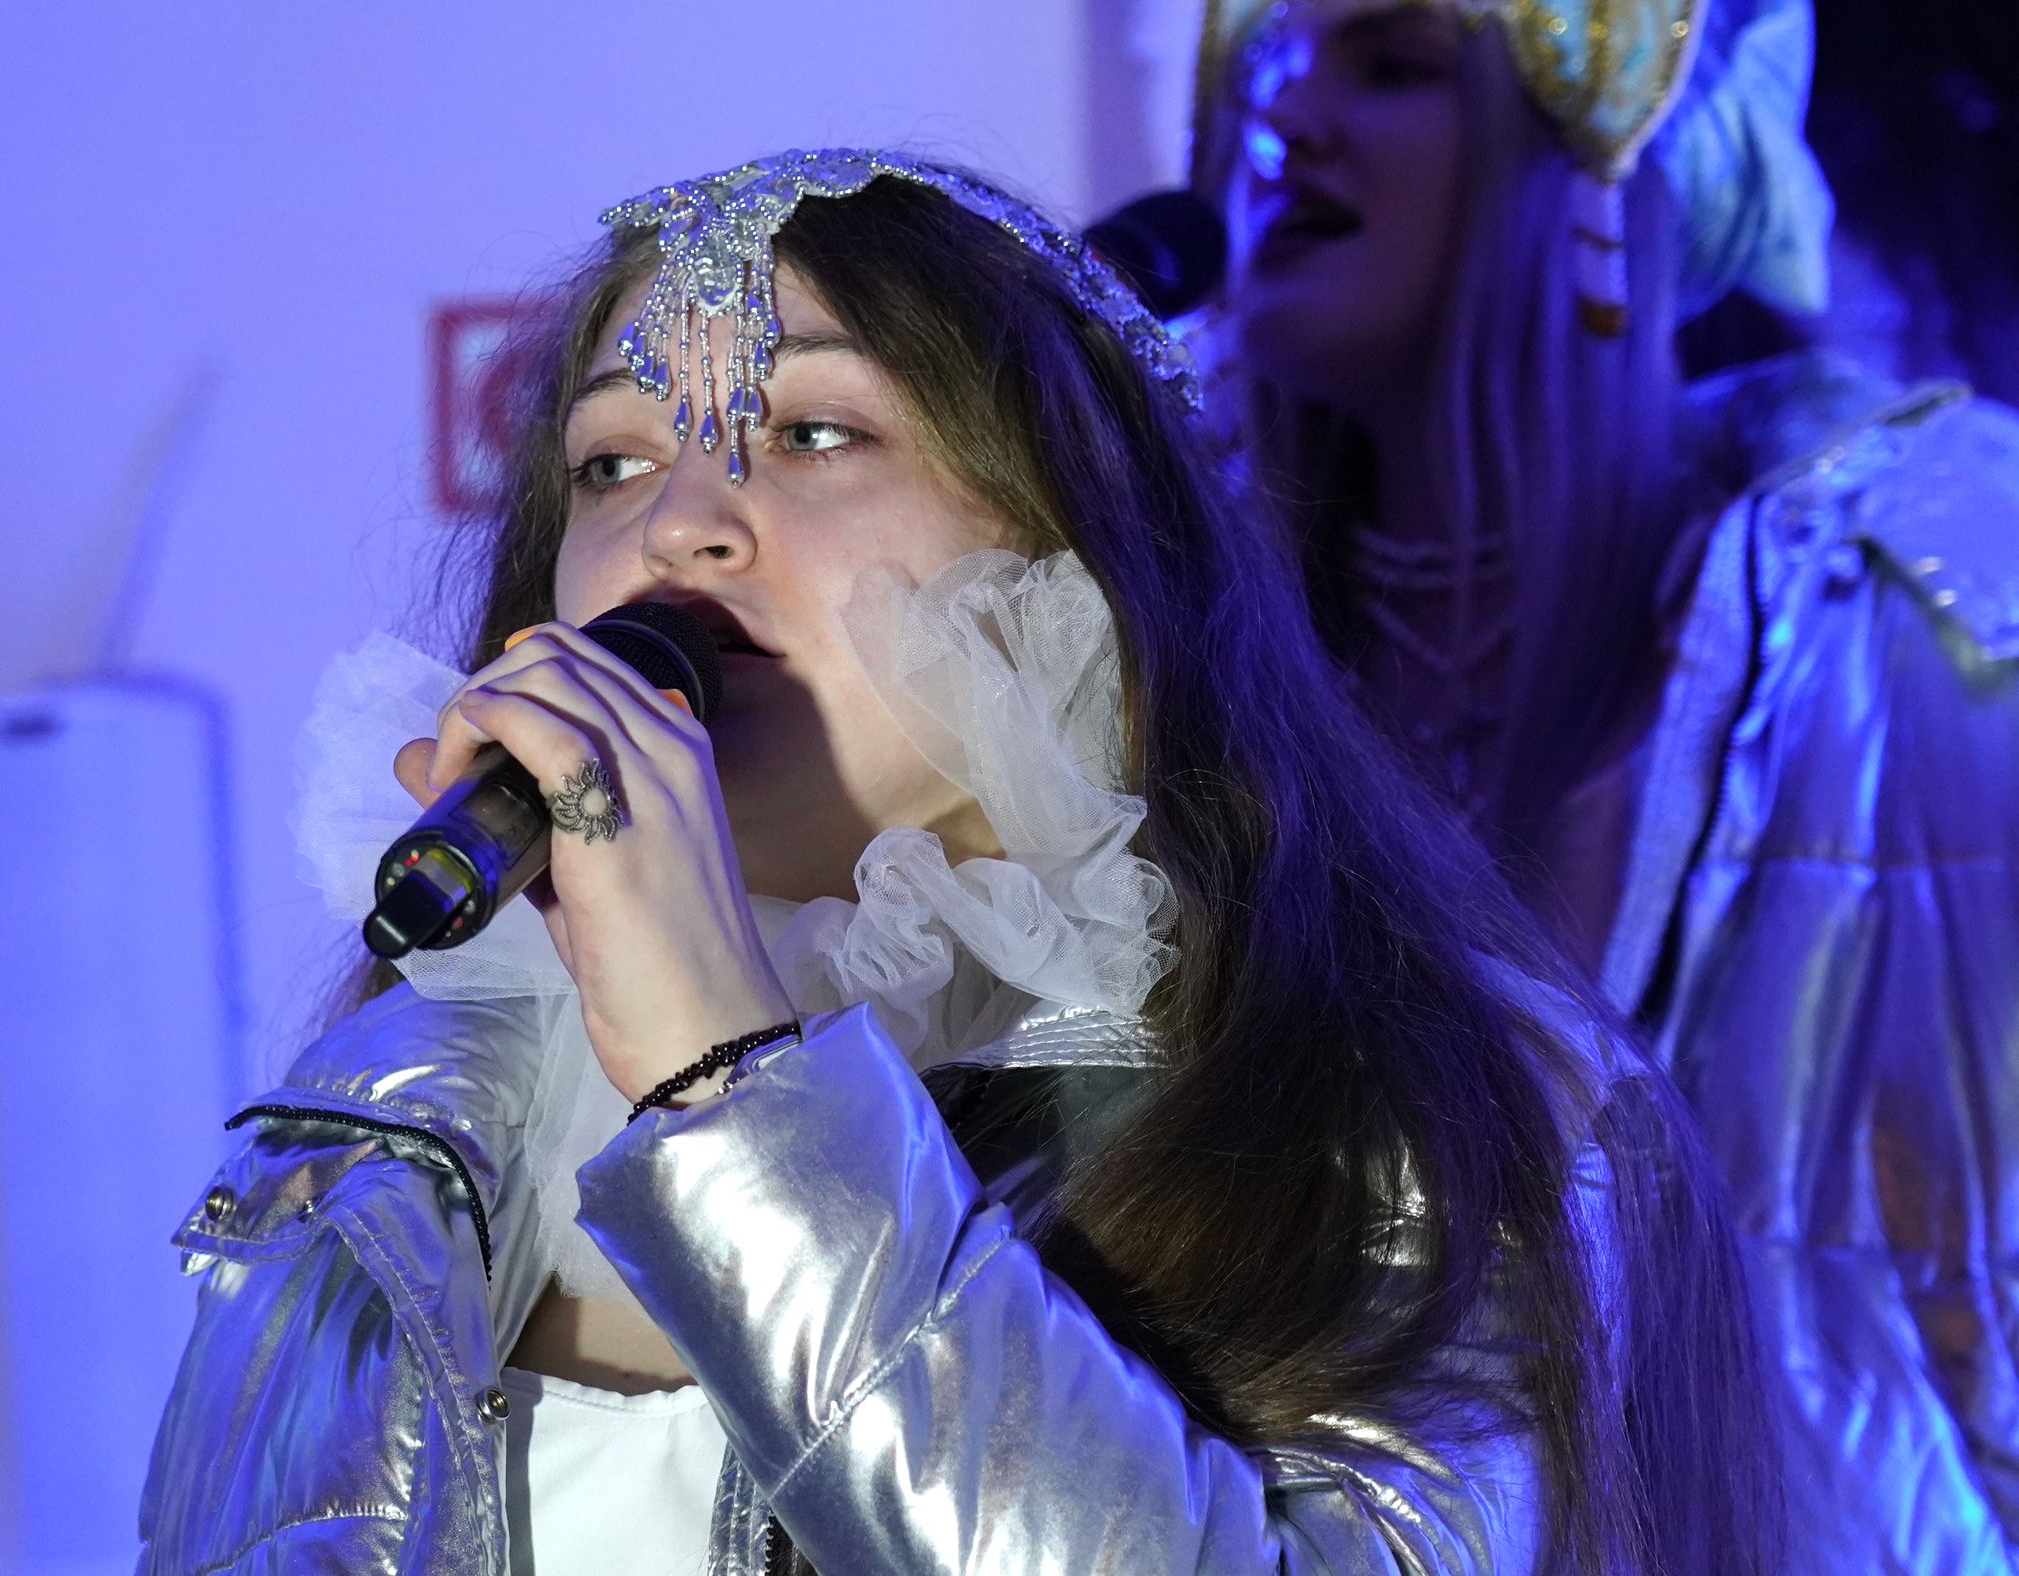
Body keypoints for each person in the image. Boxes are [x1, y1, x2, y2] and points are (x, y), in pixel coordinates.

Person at [134, 150, 1773, 1574]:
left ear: (1076, 536)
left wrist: (726, 1085)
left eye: (812, 431)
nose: (677, 526)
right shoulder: (395, 1114)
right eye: (611, 462)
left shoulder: (1409, 1099)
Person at [1189, 0, 2019, 1567]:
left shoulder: (1915, 620)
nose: (1279, 125)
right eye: (1267, 72)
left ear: (1602, 147)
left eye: (1391, 66)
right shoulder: (1155, 643)